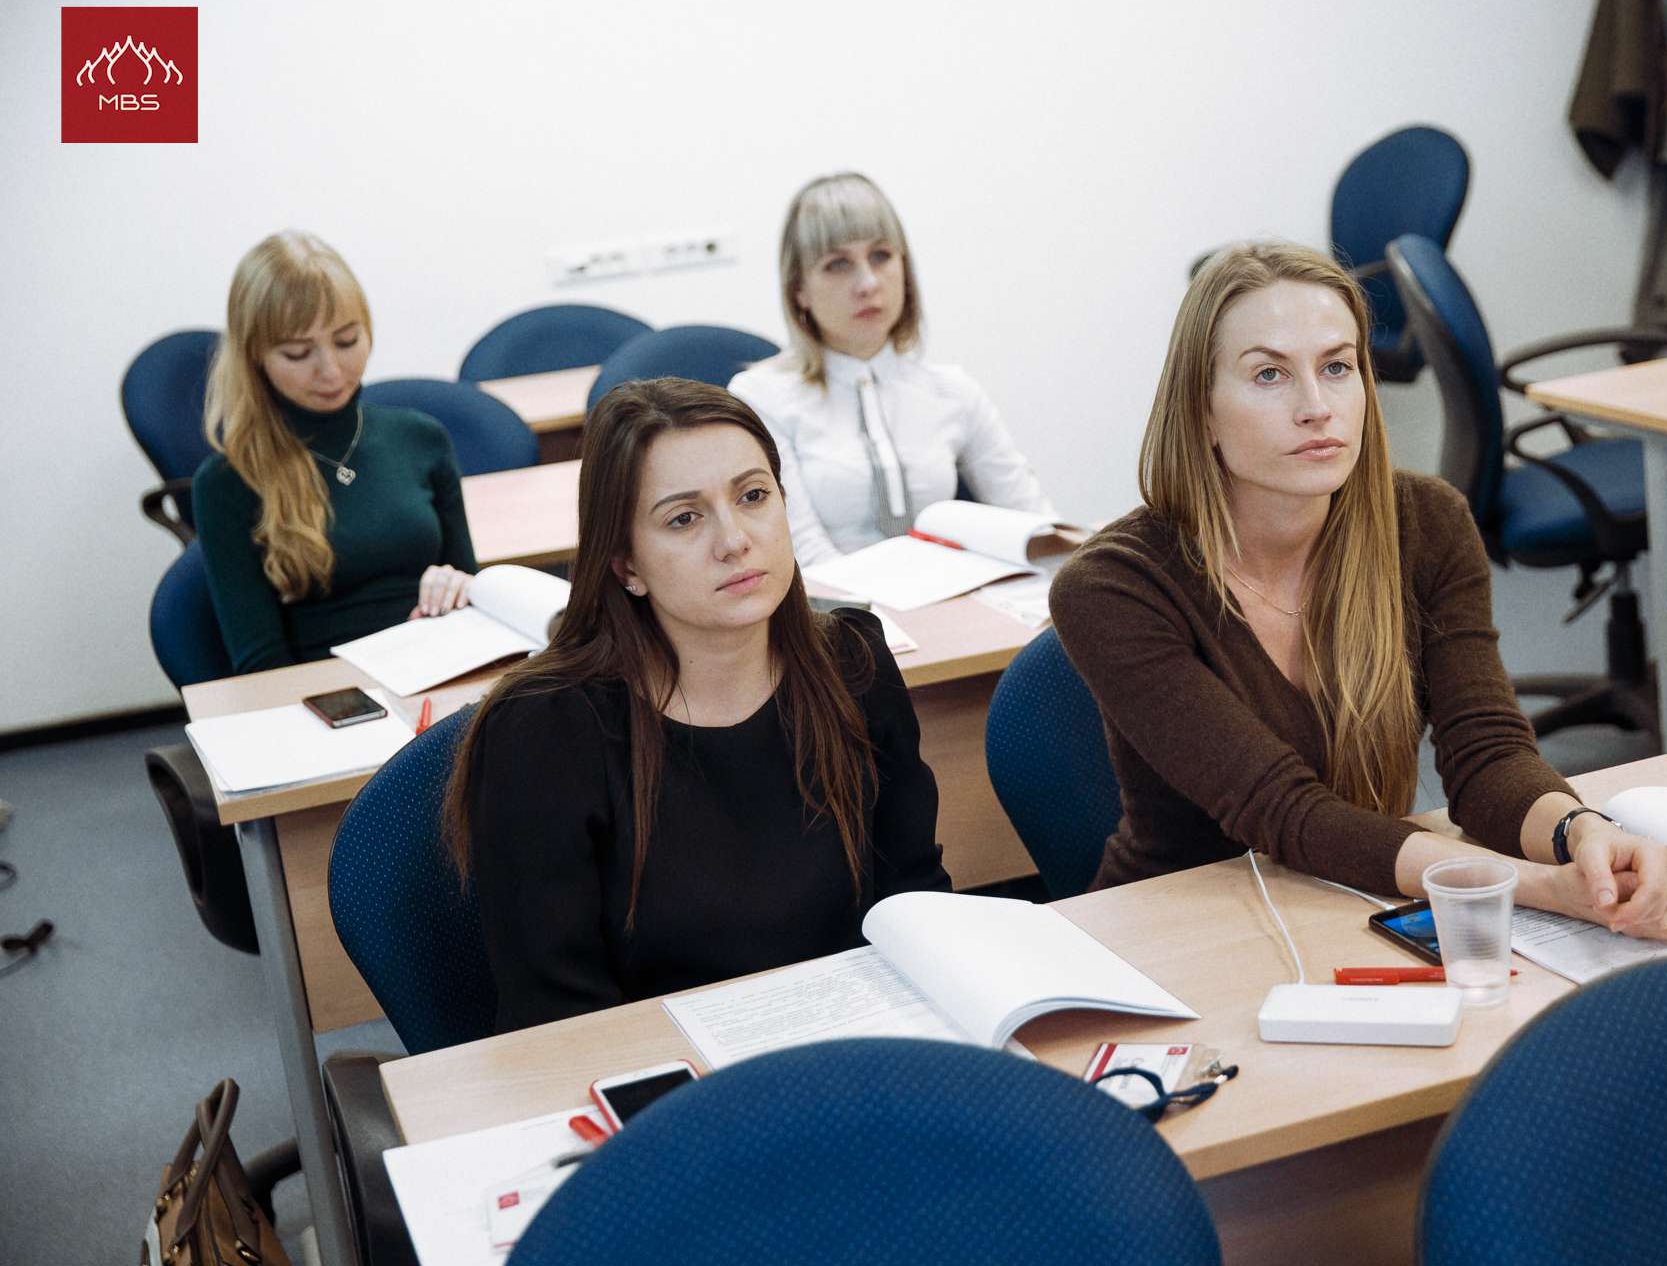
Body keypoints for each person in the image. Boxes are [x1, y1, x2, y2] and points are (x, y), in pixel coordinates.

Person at [1049, 242, 1667, 940]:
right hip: (1181, 929)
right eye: (1269, 374)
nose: (1316, 407)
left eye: (1337, 367)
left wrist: (1584, 835)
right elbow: (1284, 810)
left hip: (1355, 897)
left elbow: (1487, 757)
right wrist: (1541, 887)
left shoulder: (1427, 524)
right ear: (1201, 411)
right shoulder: (1113, 587)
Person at [443, 378, 952, 1033]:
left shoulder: (852, 663)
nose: (734, 540)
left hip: (866, 1045)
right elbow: (557, 1015)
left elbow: (915, 906)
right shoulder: (545, 729)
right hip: (667, 1075)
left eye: (753, 496)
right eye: (684, 518)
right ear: (626, 565)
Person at [729, 171, 1053, 567]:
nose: (868, 283)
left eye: (881, 256)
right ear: (799, 290)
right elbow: (803, 555)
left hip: (953, 594)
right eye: (837, 264)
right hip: (830, 602)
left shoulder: (953, 390)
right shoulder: (760, 398)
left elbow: (1033, 522)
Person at [194, 231, 476, 673]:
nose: (330, 370)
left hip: (441, 669)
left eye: (346, 341)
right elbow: (262, 666)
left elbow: (471, 592)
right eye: (298, 353)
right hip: (330, 694)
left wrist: (459, 590)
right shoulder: (227, 482)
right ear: (255, 358)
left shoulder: (422, 438)